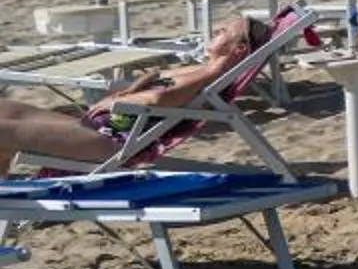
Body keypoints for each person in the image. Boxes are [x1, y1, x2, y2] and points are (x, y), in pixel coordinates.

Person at [0, 14, 278, 168]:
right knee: (4, 109)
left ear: (239, 49)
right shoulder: (201, 68)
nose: (215, 29)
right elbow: (156, 75)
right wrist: (124, 94)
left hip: (115, 143)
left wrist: (120, 102)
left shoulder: (209, 74)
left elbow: (159, 99)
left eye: (223, 31)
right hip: (103, 125)